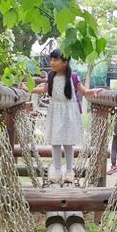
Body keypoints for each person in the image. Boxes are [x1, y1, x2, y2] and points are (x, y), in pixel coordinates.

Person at [30, 49, 100, 184]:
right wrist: (29, 88)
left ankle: (69, 171)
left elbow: (84, 92)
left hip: (69, 113)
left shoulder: (72, 77)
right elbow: (44, 90)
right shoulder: (51, 76)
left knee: (68, 143)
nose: (52, 62)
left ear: (65, 62)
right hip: (55, 112)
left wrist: (95, 91)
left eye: (55, 60)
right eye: (51, 60)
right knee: (55, 143)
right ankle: (56, 171)